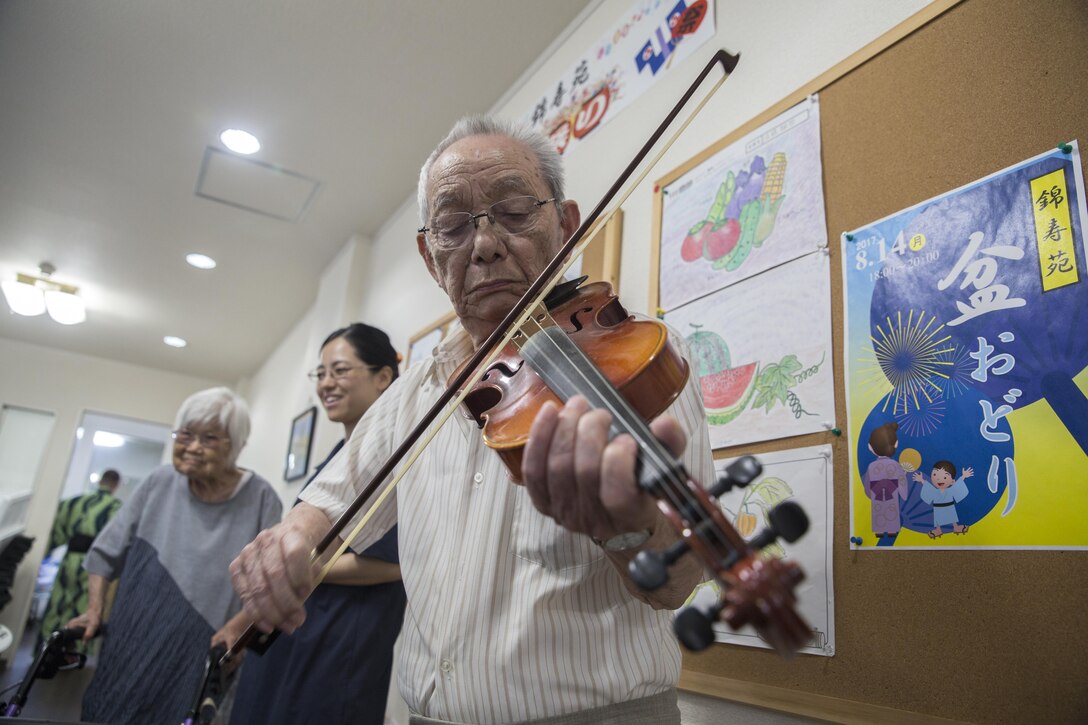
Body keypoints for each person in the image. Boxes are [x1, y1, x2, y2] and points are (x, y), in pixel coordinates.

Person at [231, 116, 715, 725]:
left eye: (514, 211)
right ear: (430, 256)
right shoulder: (416, 392)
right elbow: (327, 502)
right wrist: (292, 538)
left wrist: (626, 527)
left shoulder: (635, 359)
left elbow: (678, 581)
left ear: (566, 226)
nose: (484, 244)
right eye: (454, 226)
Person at [70, 387, 282, 725]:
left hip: (203, 647)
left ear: (237, 446)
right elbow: (105, 552)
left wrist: (239, 626)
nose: (192, 447)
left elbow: (273, 582)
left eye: (209, 438)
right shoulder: (159, 482)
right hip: (131, 637)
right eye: (185, 434)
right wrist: (94, 610)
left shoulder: (261, 499)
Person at [231, 323, 407, 725]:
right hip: (290, 637)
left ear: (383, 378)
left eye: (340, 370)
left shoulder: (400, 458)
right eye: (321, 373)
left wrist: (300, 568)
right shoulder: (332, 460)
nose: (327, 383)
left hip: (343, 641)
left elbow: (396, 562)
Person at [39, 469, 122, 649]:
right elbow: (117, 542)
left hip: (70, 560)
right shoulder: (116, 508)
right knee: (85, 606)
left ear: (100, 480)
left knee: (58, 603)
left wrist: (43, 556)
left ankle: (48, 647)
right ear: (116, 485)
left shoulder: (73, 503)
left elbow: (56, 534)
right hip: (95, 566)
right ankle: (73, 652)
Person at [862, 422, 909, 538]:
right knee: (891, 510)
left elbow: (867, 484)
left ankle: (879, 531)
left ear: (870, 447)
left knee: (878, 511)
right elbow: (901, 480)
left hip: (876, 493)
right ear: (896, 444)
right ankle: (892, 530)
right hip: (891, 492)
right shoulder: (895, 464)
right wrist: (904, 493)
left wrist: (869, 493)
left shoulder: (871, 466)